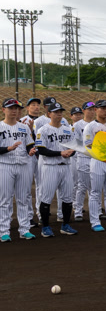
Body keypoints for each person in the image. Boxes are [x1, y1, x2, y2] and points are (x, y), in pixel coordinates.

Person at [35, 102, 78, 237]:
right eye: (56, 112)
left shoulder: (67, 130)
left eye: (60, 112)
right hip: (50, 167)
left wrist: (71, 152)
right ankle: (45, 227)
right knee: (46, 198)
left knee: (68, 198)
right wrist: (60, 153)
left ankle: (65, 225)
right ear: (49, 114)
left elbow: (74, 148)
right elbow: (41, 150)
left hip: (66, 167)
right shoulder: (43, 130)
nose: (59, 114)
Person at [0, 98, 37, 242]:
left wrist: (30, 151)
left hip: (23, 165)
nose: (14, 111)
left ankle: (25, 229)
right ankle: (4, 231)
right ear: (3, 110)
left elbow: (29, 144)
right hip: (5, 165)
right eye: (11, 108)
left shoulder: (24, 127)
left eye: (16, 108)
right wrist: (8, 148)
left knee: (23, 198)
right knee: (5, 200)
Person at [83, 100, 106, 232]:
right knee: (95, 193)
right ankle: (95, 222)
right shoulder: (90, 127)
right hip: (97, 161)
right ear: (95, 110)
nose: (105, 110)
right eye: (102, 108)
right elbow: (87, 145)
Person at [20, 97, 42, 228]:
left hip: (41, 155)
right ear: (27, 107)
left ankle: (41, 213)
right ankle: (28, 216)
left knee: (41, 185)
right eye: (33, 104)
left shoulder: (44, 120)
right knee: (26, 187)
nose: (36, 107)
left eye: (37, 104)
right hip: (28, 155)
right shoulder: (22, 121)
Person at [73, 101, 96, 221]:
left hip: (95, 158)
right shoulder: (78, 125)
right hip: (83, 157)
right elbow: (76, 143)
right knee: (82, 186)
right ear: (83, 111)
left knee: (95, 187)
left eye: (93, 109)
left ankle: (96, 211)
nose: (91, 112)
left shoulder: (97, 124)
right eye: (89, 109)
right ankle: (78, 211)